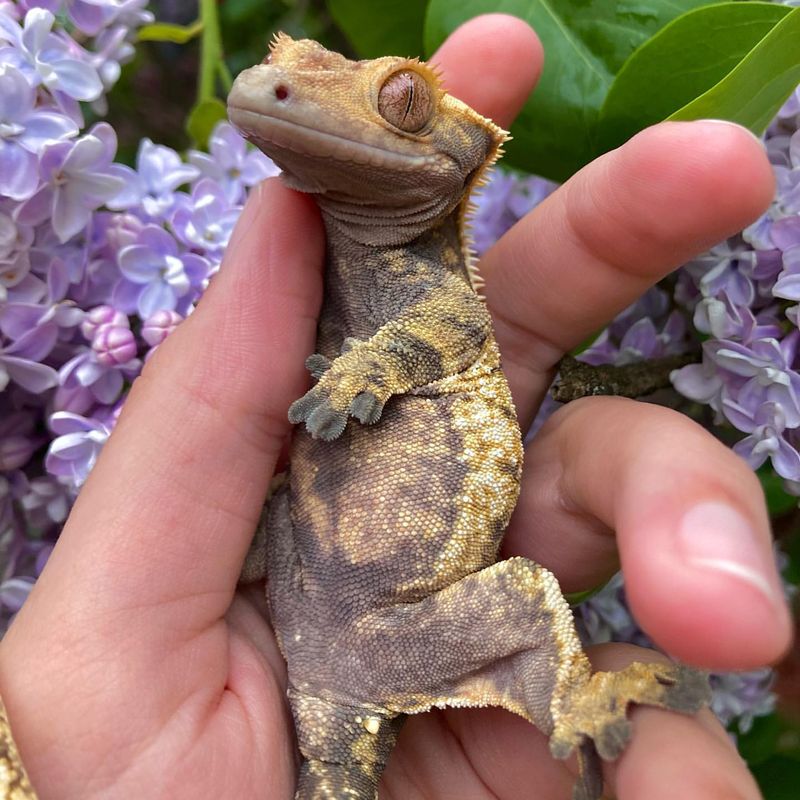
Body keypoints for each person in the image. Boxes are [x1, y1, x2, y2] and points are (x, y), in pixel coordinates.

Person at [0, 14, 791, 800]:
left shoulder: (440, 307)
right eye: (285, 65)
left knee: (518, 600)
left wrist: (375, 369)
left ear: (459, 155)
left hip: (384, 634)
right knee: (509, 602)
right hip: (313, 631)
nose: (279, 86)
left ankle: (568, 699)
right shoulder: (315, 298)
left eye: (402, 102)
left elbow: (447, 325)